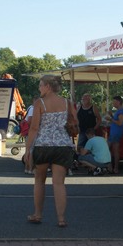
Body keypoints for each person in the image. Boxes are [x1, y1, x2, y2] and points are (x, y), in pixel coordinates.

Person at [24, 75, 77, 227]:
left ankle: (37, 214)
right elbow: (75, 122)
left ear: (47, 86)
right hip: (63, 145)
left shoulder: (39, 103)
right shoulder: (67, 103)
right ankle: (61, 219)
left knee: (39, 180)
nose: (39, 88)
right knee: (59, 183)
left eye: (40, 85)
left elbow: (34, 128)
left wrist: (28, 149)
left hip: (43, 145)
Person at [105, 96, 123, 174]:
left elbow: (120, 123)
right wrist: (112, 116)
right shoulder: (120, 111)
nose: (113, 103)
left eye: (114, 102)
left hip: (115, 133)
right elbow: (117, 121)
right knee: (115, 149)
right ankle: (115, 168)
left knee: (106, 148)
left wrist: (110, 119)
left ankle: (110, 166)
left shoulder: (121, 111)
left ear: (118, 102)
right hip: (116, 132)